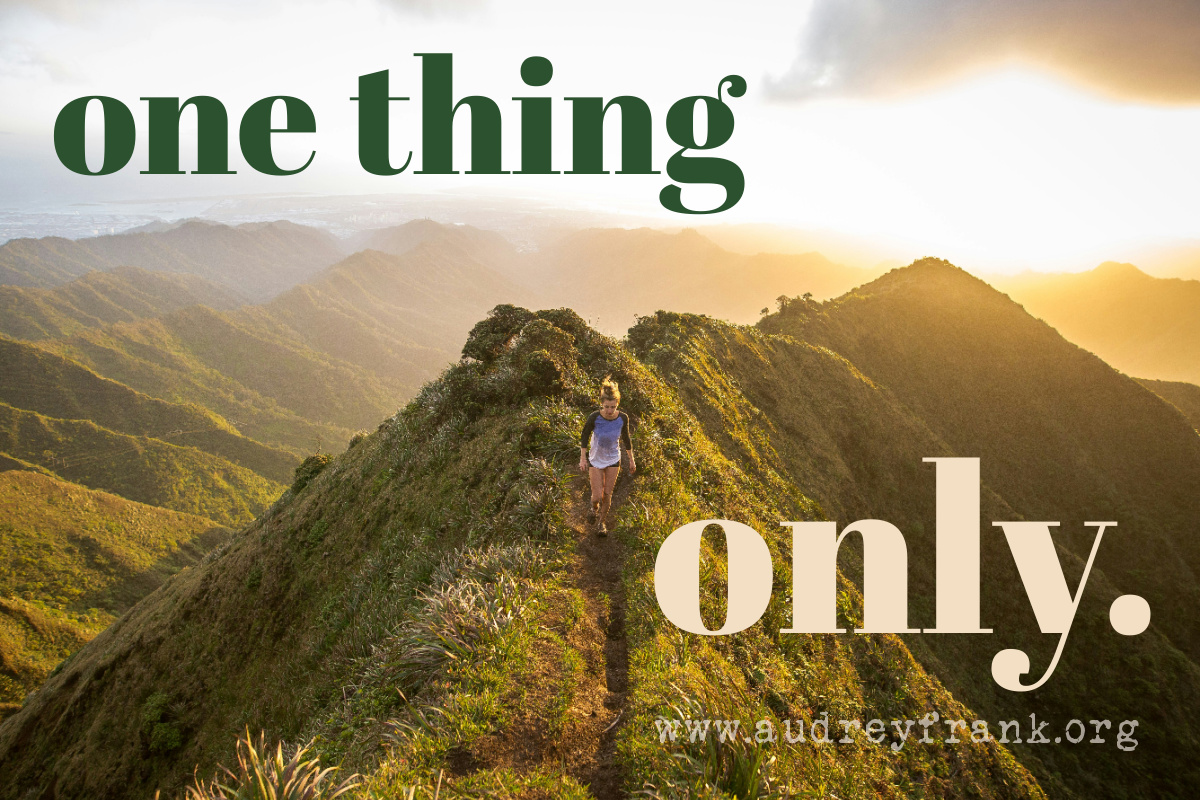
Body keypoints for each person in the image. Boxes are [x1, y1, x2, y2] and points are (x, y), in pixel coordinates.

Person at [579, 376, 635, 536]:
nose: (610, 411)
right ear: (601, 404)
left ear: (617, 404)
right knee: (596, 496)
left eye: (613, 407)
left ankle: (601, 523)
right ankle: (593, 508)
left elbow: (626, 439)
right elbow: (584, 436)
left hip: (613, 459)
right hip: (595, 459)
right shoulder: (594, 417)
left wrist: (631, 460)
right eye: (606, 407)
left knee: (607, 494)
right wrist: (583, 458)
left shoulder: (623, 418)